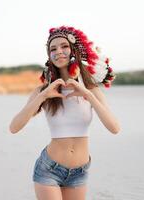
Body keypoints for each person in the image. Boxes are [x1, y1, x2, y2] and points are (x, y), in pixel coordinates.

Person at [9, 26, 120, 200]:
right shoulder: (44, 90)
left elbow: (114, 128)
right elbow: (14, 127)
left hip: (80, 172)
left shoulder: (90, 90)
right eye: (53, 49)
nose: (58, 51)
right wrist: (43, 95)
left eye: (64, 46)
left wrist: (88, 95)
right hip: (49, 169)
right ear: (49, 57)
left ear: (74, 50)